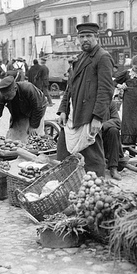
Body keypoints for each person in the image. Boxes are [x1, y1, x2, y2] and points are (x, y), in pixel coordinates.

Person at [56, 22, 115, 177]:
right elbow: (70, 87)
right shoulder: (80, 57)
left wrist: (97, 117)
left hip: (89, 116)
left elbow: (106, 90)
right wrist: (63, 109)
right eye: (82, 36)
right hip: (73, 114)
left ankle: (97, 189)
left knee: (93, 156)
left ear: (97, 37)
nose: (85, 40)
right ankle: (67, 185)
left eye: (89, 36)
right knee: (63, 151)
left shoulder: (103, 57)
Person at [0, 76, 47, 143]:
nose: (6, 98)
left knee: (33, 137)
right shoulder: (4, 94)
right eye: (5, 96)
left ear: (15, 88)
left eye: (8, 95)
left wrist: (33, 126)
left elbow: (38, 107)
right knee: (13, 138)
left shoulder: (28, 88)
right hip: (19, 111)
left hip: (37, 109)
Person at [102, 100, 126, 180]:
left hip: (105, 139)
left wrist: (102, 126)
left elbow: (117, 121)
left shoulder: (110, 103)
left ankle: (113, 168)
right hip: (91, 138)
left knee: (113, 130)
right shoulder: (89, 103)